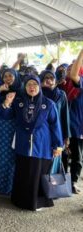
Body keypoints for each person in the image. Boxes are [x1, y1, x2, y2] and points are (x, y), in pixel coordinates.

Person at [0, 75, 63, 211]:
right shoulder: (18, 102)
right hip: (23, 145)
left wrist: (58, 145)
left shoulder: (49, 104)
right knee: (23, 172)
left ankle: (38, 202)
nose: (32, 87)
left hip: (42, 146)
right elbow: (5, 116)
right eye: (29, 84)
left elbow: (55, 125)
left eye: (35, 84)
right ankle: (20, 201)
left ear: (39, 86)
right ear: (25, 87)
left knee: (39, 174)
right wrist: (7, 102)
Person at [40, 70, 70, 174]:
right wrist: (39, 87)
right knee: (42, 159)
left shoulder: (61, 94)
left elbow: (65, 116)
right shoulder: (38, 93)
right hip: (42, 133)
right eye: (45, 78)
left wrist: (66, 137)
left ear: (55, 80)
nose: (48, 80)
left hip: (57, 133)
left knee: (55, 158)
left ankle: (51, 187)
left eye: (51, 78)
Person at [67, 49, 83, 194]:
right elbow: (73, 74)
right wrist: (82, 53)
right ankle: (71, 182)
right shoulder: (80, 84)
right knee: (76, 157)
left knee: (79, 158)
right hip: (76, 127)